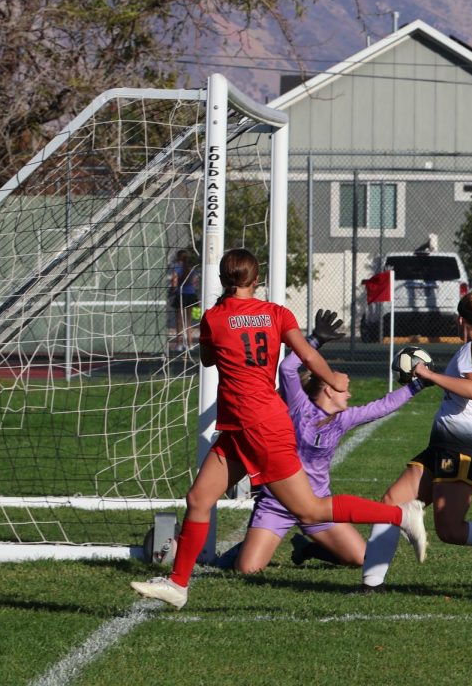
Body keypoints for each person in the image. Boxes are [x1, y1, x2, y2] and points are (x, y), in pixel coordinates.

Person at [130, 248, 426, 610]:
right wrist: (331, 377)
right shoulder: (276, 313)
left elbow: (208, 360)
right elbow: (307, 357)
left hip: (259, 425)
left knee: (311, 511)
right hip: (243, 425)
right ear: (257, 281)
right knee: (198, 500)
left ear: (223, 281)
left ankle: (402, 515)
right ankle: (178, 585)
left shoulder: (214, 318)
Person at [359, 280, 472, 593]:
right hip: (444, 443)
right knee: (392, 501)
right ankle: (370, 586)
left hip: (460, 448)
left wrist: (430, 374)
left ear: (461, 319)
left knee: (450, 530)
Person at [214, 309, 427, 574]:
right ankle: (242, 550)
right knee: (247, 569)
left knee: (361, 557)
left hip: (318, 505)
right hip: (277, 504)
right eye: (345, 387)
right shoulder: (298, 406)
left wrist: (417, 386)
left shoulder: (344, 418)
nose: (349, 393)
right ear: (328, 387)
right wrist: (315, 339)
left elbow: (382, 406)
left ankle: (308, 548)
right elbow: (287, 367)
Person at [167, 249, 200, 353]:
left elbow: (174, 281)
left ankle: (179, 344)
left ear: (178, 257)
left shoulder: (176, 267)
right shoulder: (191, 268)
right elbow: (195, 281)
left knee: (179, 321)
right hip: (190, 295)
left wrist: (172, 290)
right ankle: (190, 344)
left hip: (181, 295)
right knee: (188, 322)